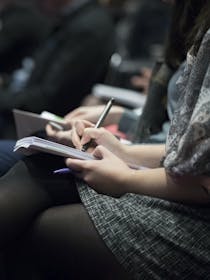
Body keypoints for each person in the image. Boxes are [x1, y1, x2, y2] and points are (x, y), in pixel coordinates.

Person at [0, 1, 210, 279]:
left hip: (196, 219)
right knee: (38, 163)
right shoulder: (193, 20)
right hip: (170, 174)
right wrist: (122, 150)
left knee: (40, 227)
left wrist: (126, 176)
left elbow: (200, 175)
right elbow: (188, 150)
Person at [0, 0, 115, 138]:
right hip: (22, 107)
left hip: (42, 126)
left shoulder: (88, 27)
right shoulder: (75, 16)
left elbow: (49, 98)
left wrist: (4, 98)